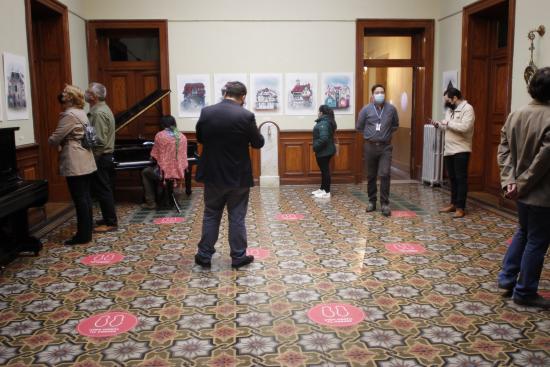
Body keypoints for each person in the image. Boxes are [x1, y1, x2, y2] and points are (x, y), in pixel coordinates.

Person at [194, 81, 264, 269]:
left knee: (211, 214)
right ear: (243, 97)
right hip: (237, 176)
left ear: (225, 93)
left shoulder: (206, 112)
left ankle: (204, 255)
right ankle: (238, 257)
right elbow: (258, 143)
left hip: (213, 174)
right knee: (237, 217)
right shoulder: (246, 115)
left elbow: (200, 137)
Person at [497, 67, 550, 309]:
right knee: (537, 240)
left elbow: (504, 148)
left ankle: (507, 279)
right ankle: (525, 291)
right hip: (540, 194)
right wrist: (521, 184)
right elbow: (543, 160)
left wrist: (510, 181)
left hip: (518, 191)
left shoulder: (516, 114)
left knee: (524, 232)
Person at [49, 85, 97, 245]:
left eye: (65, 93)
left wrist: (52, 141)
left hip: (75, 158)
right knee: (86, 198)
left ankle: (82, 236)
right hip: (85, 157)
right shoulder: (81, 112)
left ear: (70, 97)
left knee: (80, 199)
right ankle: (87, 231)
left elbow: (55, 138)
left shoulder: (69, 114)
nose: (61, 95)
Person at [356, 84, 399, 216]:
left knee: (385, 174)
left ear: (385, 94)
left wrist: (384, 135)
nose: (380, 94)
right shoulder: (366, 109)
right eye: (377, 92)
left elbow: (395, 125)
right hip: (370, 146)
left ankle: (385, 203)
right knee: (371, 175)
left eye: (382, 92)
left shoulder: (391, 109)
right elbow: (359, 127)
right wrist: (370, 135)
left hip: (385, 146)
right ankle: (372, 201)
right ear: (373, 95)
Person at [431, 87, 475, 218]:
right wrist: (439, 125)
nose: (446, 102)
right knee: (452, 179)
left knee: (461, 179)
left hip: (461, 149)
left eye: (447, 100)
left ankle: (461, 207)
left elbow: (465, 127)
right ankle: (453, 204)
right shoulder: (450, 110)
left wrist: (448, 123)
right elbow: (448, 127)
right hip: (449, 149)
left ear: (455, 98)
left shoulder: (468, 109)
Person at [85, 82, 118, 232]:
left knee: (103, 190)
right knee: (104, 188)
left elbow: (99, 140)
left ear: (94, 96)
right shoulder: (103, 108)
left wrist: (93, 157)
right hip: (104, 155)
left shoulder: (98, 113)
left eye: (88, 92)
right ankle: (107, 218)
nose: (85, 94)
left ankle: (110, 222)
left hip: (101, 156)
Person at [141, 115, 188, 209]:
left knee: (145, 172)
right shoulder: (182, 136)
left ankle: (151, 202)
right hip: (179, 172)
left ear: (162, 124)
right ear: (174, 123)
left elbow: (154, 155)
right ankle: (166, 196)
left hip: (164, 174)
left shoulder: (160, 135)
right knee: (155, 171)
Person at [311, 104, 337, 199]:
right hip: (325, 151)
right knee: (324, 171)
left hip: (324, 151)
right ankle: (322, 189)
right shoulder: (326, 121)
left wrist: (315, 147)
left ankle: (327, 191)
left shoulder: (323, 123)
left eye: (318, 112)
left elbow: (324, 138)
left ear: (321, 113)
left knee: (325, 171)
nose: (318, 113)